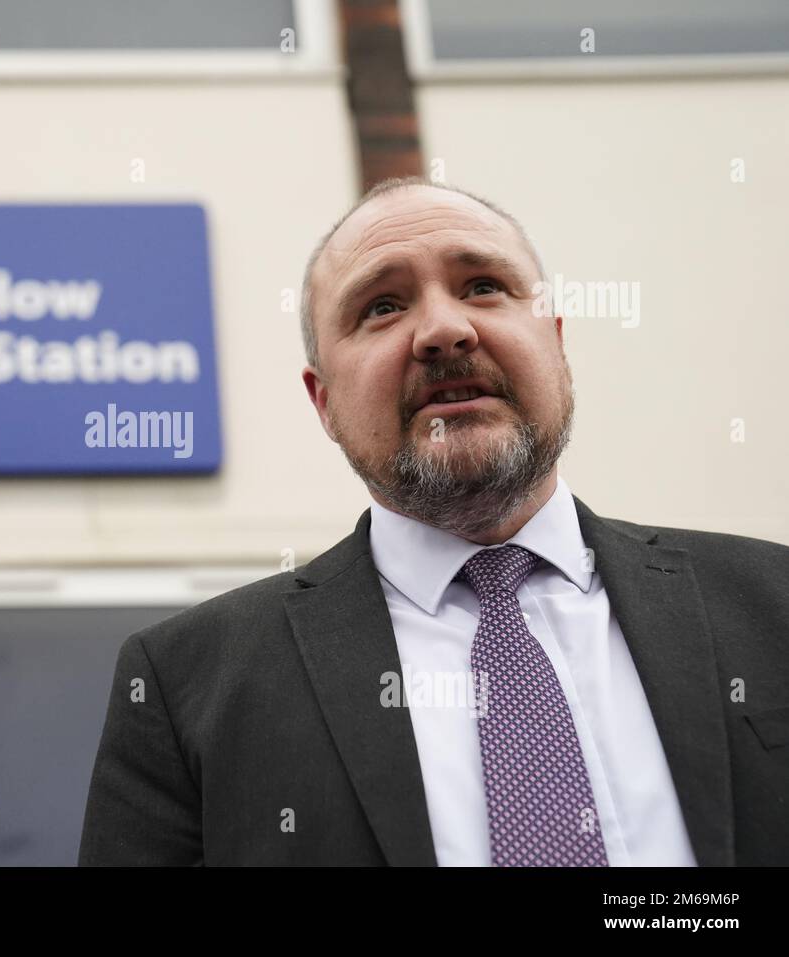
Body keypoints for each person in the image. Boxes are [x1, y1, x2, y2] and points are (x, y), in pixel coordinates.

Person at [77, 177, 789, 866]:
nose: (444, 330)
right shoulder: (186, 683)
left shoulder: (773, 602)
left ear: (557, 342)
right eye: (382, 306)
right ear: (322, 402)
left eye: (483, 286)